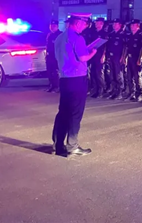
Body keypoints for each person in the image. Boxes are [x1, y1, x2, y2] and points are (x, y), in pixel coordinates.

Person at [52, 13, 97, 157]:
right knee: (75, 113)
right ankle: (72, 145)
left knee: (63, 112)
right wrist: (93, 52)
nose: (85, 26)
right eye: (84, 24)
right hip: (77, 79)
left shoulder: (59, 38)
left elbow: (60, 56)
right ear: (78, 23)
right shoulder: (78, 38)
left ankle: (58, 144)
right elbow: (83, 57)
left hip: (64, 78)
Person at [87, 18, 109, 98]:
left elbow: (106, 46)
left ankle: (101, 90)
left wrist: (103, 56)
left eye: (97, 23)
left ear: (101, 23)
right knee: (93, 73)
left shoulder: (104, 34)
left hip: (100, 55)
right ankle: (95, 90)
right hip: (93, 55)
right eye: (96, 22)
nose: (96, 24)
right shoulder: (94, 32)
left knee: (99, 73)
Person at [106, 18, 127, 100]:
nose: (114, 25)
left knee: (118, 75)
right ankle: (114, 90)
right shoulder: (111, 34)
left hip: (118, 57)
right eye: (113, 24)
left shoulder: (123, 34)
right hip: (111, 56)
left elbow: (125, 47)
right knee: (112, 74)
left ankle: (120, 92)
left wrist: (123, 57)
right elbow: (108, 46)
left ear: (120, 25)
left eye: (116, 24)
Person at [125, 19, 142, 101]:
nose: (132, 26)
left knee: (137, 76)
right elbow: (126, 47)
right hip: (130, 58)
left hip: (137, 58)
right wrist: (125, 57)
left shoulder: (141, 35)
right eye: (131, 25)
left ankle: (139, 93)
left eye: (134, 25)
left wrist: (140, 58)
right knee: (129, 76)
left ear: (138, 26)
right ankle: (131, 93)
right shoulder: (129, 35)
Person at [46, 20, 62, 93]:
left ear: (57, 26)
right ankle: (51, 86)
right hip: (50, 55)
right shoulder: (49, 35)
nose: (52, 27)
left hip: (56, 56)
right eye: (51, 26)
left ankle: (57, 86)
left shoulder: (60, 35)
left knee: (56, 72)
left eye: (54, 26)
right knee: (50, 71)